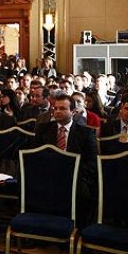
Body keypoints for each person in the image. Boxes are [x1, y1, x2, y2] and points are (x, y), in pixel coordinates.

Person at [33, 93, 97, 226]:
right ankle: (41, 226)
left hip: (75, 176)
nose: (57, 111)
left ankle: (78, 228)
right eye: (55, 108)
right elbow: (35, 155)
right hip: (48, 174)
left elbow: (91, 162)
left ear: (73, 112)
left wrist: (74, 174)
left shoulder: (85, 133)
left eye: (62, 108)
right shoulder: (43, 129)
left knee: (83, 192)